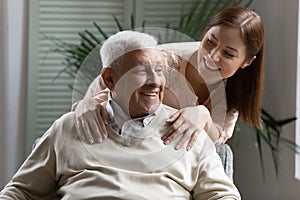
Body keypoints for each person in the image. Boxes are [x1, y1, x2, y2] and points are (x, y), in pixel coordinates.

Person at [0, 31, 241, 199]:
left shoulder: (187, 129)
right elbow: (20, 191)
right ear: (109, 79)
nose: (156, 82)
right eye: (140, 71)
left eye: (159, 70)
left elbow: (222, 195)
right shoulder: (68, 128)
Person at [73, 7, 264, 152]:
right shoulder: (162, 61)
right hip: (117, 146)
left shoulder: (236, 89)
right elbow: (110, 81)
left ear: (246, 62)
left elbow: (217, 144)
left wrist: (203, 115)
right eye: (210, 42)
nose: (212, 56)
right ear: (204, 34)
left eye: (228, 54)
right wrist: (87, 103)